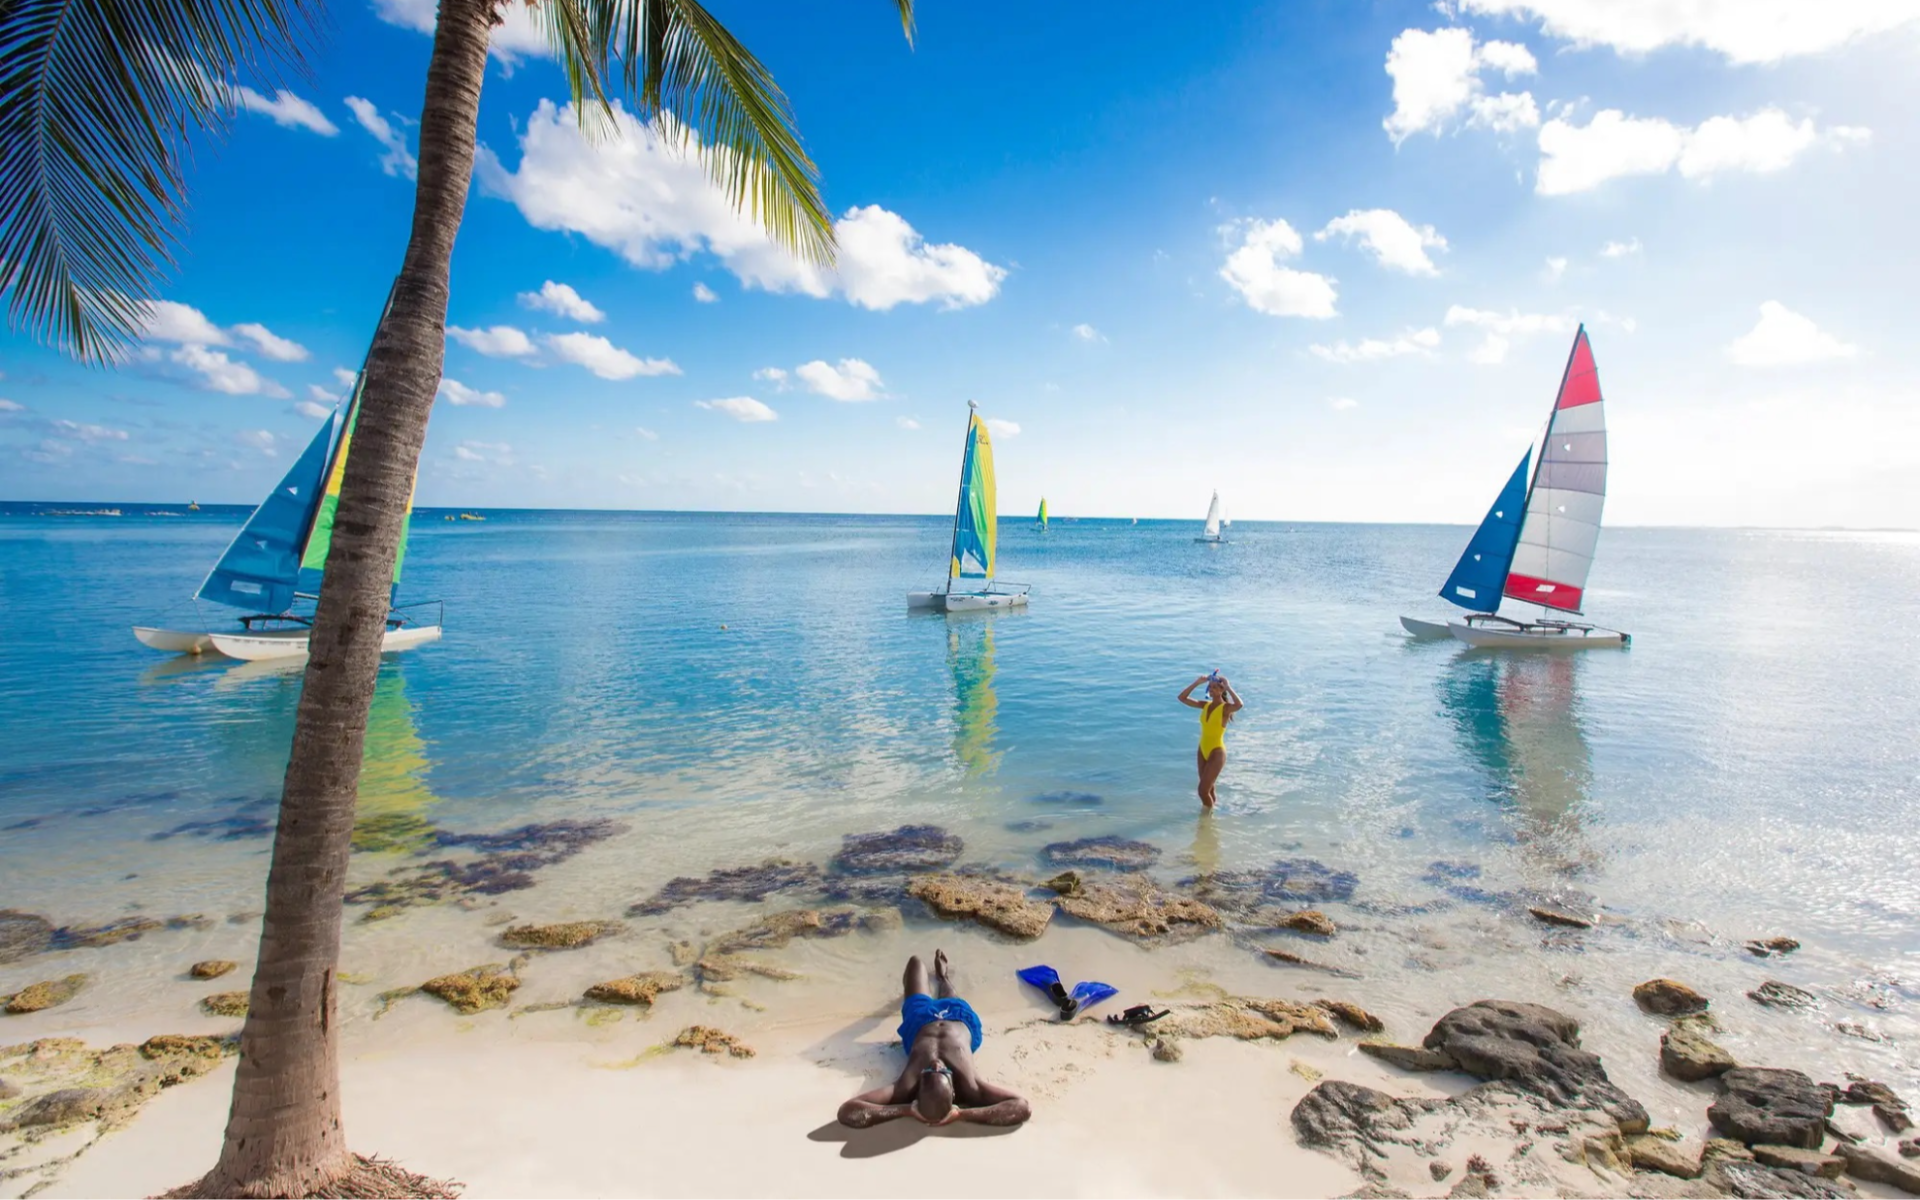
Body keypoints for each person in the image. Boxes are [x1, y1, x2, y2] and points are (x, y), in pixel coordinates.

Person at [836, 950, 1031, 1129]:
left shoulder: (904, 1087)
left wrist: (905, 1110)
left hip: (920, 1021)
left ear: (918, 1087)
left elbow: (848, 1111)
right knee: (951, 996)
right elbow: (1021, 1107)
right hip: (960, 1019)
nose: (937, 1064)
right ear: (954, 1091)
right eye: (944, 1071)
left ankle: (938, 975)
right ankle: (943, 977)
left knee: (915, 962)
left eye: (928, 1070)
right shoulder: (972, 1088)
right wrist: (961, 1115)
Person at [1178, 672, 1243, 808]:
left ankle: (1207, 817)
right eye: (1210, 687)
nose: (1212, 689)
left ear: (1221, 690)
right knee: (1209, 788)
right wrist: (1197, 682)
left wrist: (1229, 687)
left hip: (1217, 752)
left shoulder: (1225, 709)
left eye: (1215, 687)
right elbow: (1182, 698)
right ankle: (1210, 818)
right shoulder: (1205, 705)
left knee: (1202, 791)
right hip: (1202, 749)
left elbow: (1239, 705)